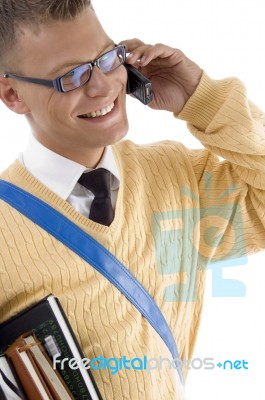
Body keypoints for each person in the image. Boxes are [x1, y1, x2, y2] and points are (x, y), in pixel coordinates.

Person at [0, 0, 264, 399]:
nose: (104, 86)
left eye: (108, 58)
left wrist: (201, 97)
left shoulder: (177, 176)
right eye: (71, 76)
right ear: (12, 94)